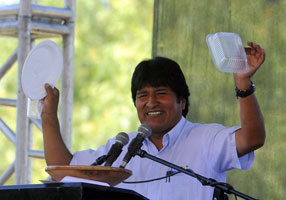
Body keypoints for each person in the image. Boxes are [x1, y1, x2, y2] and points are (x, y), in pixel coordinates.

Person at [41, 41, 266, 199]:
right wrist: (48, 115)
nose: (151, 102)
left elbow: (252, 138)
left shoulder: (206, 139)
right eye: (142, 96)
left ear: (183, 102)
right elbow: (64, 169)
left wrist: (243, 84)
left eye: (161, 93)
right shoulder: (120, 147)